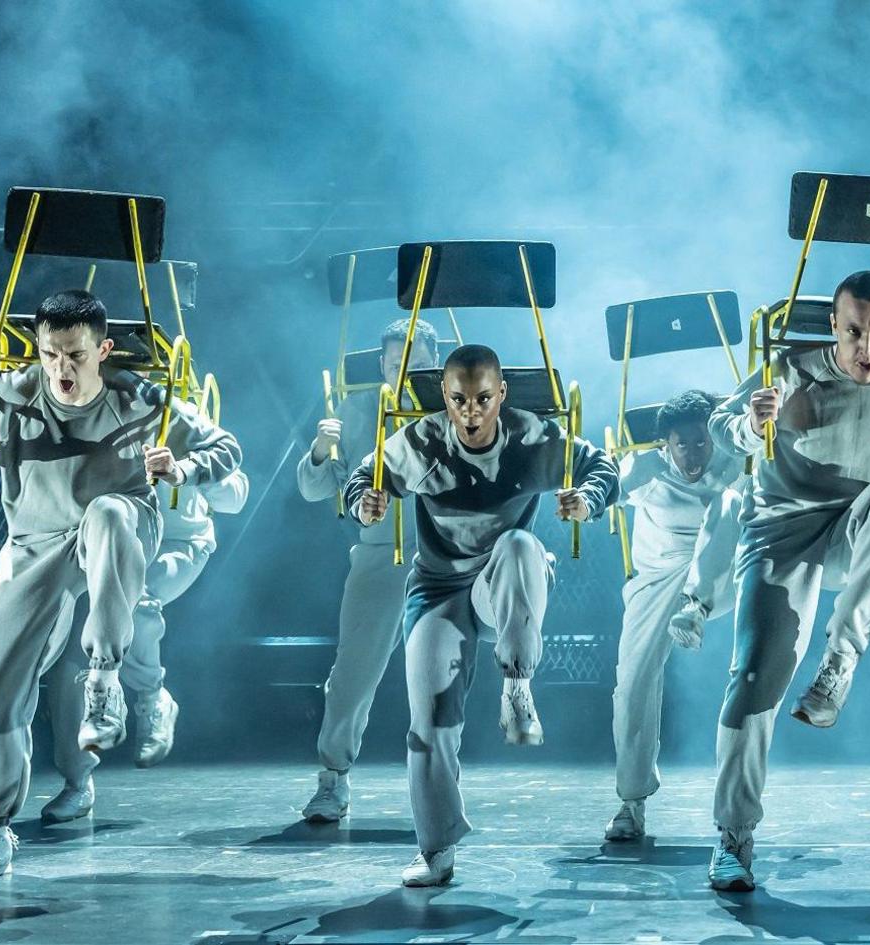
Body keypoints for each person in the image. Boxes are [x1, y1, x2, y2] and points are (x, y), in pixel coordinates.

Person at [0, 289, 241, 884]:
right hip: (34, 546)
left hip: (116, 526)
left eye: (75, 355)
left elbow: (226, 448)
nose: (62, 370)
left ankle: (106, 679)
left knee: (110, 515)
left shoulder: (138, 398)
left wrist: (182, 469)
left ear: (103, 350)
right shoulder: (13, 394)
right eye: (50, 355)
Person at [703, 270, 870, 890]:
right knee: (752, 677)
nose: (867, 350)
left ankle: (840, 660)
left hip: (855, 528)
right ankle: (734, 836)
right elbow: (721, 426)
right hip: (783, 531)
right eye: (854, 332)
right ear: (834, 326)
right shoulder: (790, 369)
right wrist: (751, 420)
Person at [346, 344, 618, 887]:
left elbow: (602, 465)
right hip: (439, 589)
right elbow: (364, 476)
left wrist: (587, 498)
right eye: (458, 400)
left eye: (483, 399)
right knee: (430, 722)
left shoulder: (531, 437)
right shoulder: (422, 441)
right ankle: (438, 849)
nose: (470, 413)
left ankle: (518, 685)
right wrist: (365, 501)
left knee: (519, 544)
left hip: (503, 582)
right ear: (444, 398)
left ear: (502, 396)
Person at [39, 463, 250, 823]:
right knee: (73, 662)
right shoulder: (111, 415)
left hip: (180, 544)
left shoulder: (192, 421)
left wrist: (187, 470)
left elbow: (236, 496)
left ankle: (152, 696)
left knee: (140, 600)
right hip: (109, 544)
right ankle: (77, 782)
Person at [298, 319, 440, 822]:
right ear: (380, 364)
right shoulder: (357, 409)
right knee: (353, 671)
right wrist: (320, 449)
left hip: (448, 554)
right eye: (393, 361)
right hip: (381, 555)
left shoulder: (456, 409)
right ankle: (332, 779)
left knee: (446, 673)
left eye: (415, 362)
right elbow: (317, 490)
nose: (402, 371)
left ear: (432, 364)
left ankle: (441, 789)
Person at [607, 390, 743, 842]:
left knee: (730, 504)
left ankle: (696, 607)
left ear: (714, 438)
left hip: (716, 580)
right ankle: (631, 800)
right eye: (681, 444)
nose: (692, 453)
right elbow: (605, 486)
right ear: (666, 444)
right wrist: (582, 501)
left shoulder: (735, 466)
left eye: (701, 442)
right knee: (632, 681)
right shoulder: (645, 468)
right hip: (660, 580)